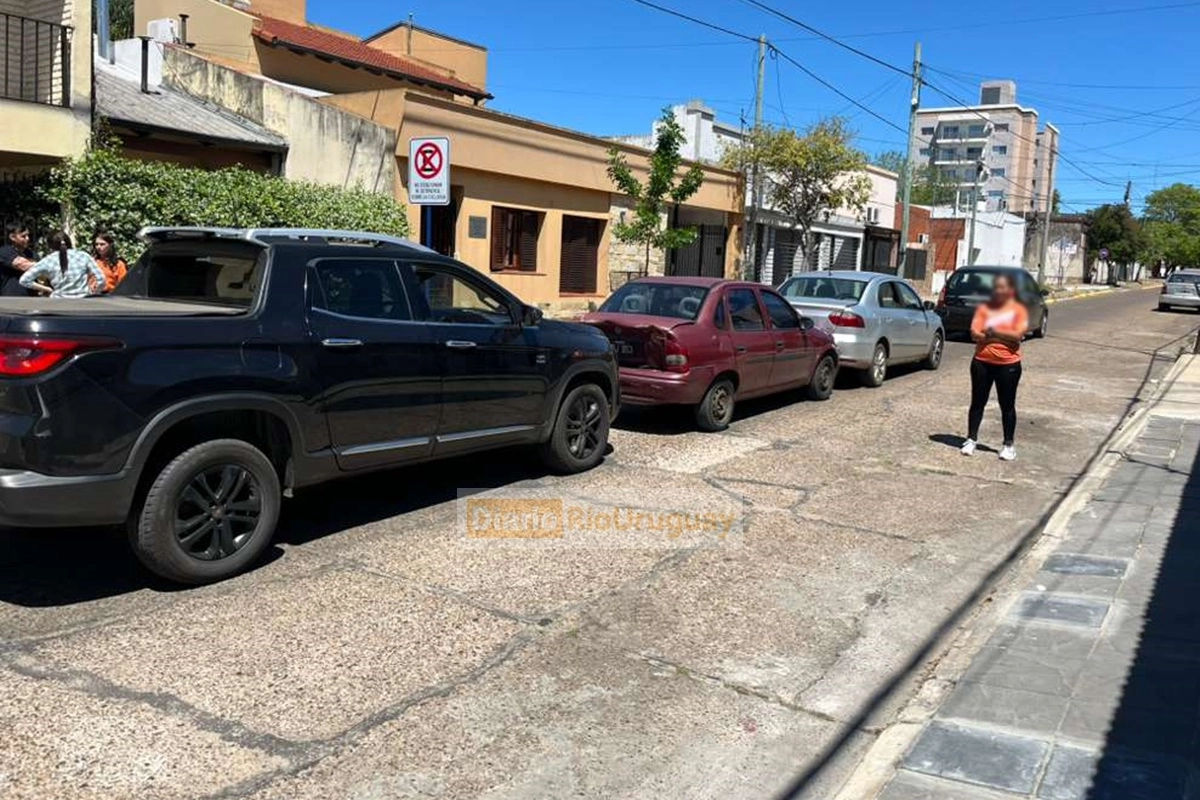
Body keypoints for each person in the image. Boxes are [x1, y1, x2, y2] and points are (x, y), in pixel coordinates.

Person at [961, 273, 1028, 462]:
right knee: (977, 402)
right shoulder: (984, 309)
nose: (1000, 291)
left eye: (1003, 288)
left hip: (1008, 365)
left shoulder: (1018, 311)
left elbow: (1018, 337)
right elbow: (975, 333)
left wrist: (993, 332)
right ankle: (971, 439)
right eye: (997, 288)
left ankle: (1008, 445)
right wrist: (1003, 334)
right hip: (982, 362)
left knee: (1007, 405)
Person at [19, 231, 106, 299]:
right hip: (83, 302)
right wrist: (93, 293)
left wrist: (46, 289)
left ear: (50, 246)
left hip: (58, 303)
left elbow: (24, 280)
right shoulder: (83, 256)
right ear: (69, 241)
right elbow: (101, 279)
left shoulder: (47, 260)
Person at [0, 223, 37, 297]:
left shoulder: (32, 254)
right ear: (12, 237)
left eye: (28, 235)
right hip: (10, 298)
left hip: (30, 298)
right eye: (23, 236)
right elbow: (23, 265)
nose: (27, 238)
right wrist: (44, 265)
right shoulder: (4, 251)